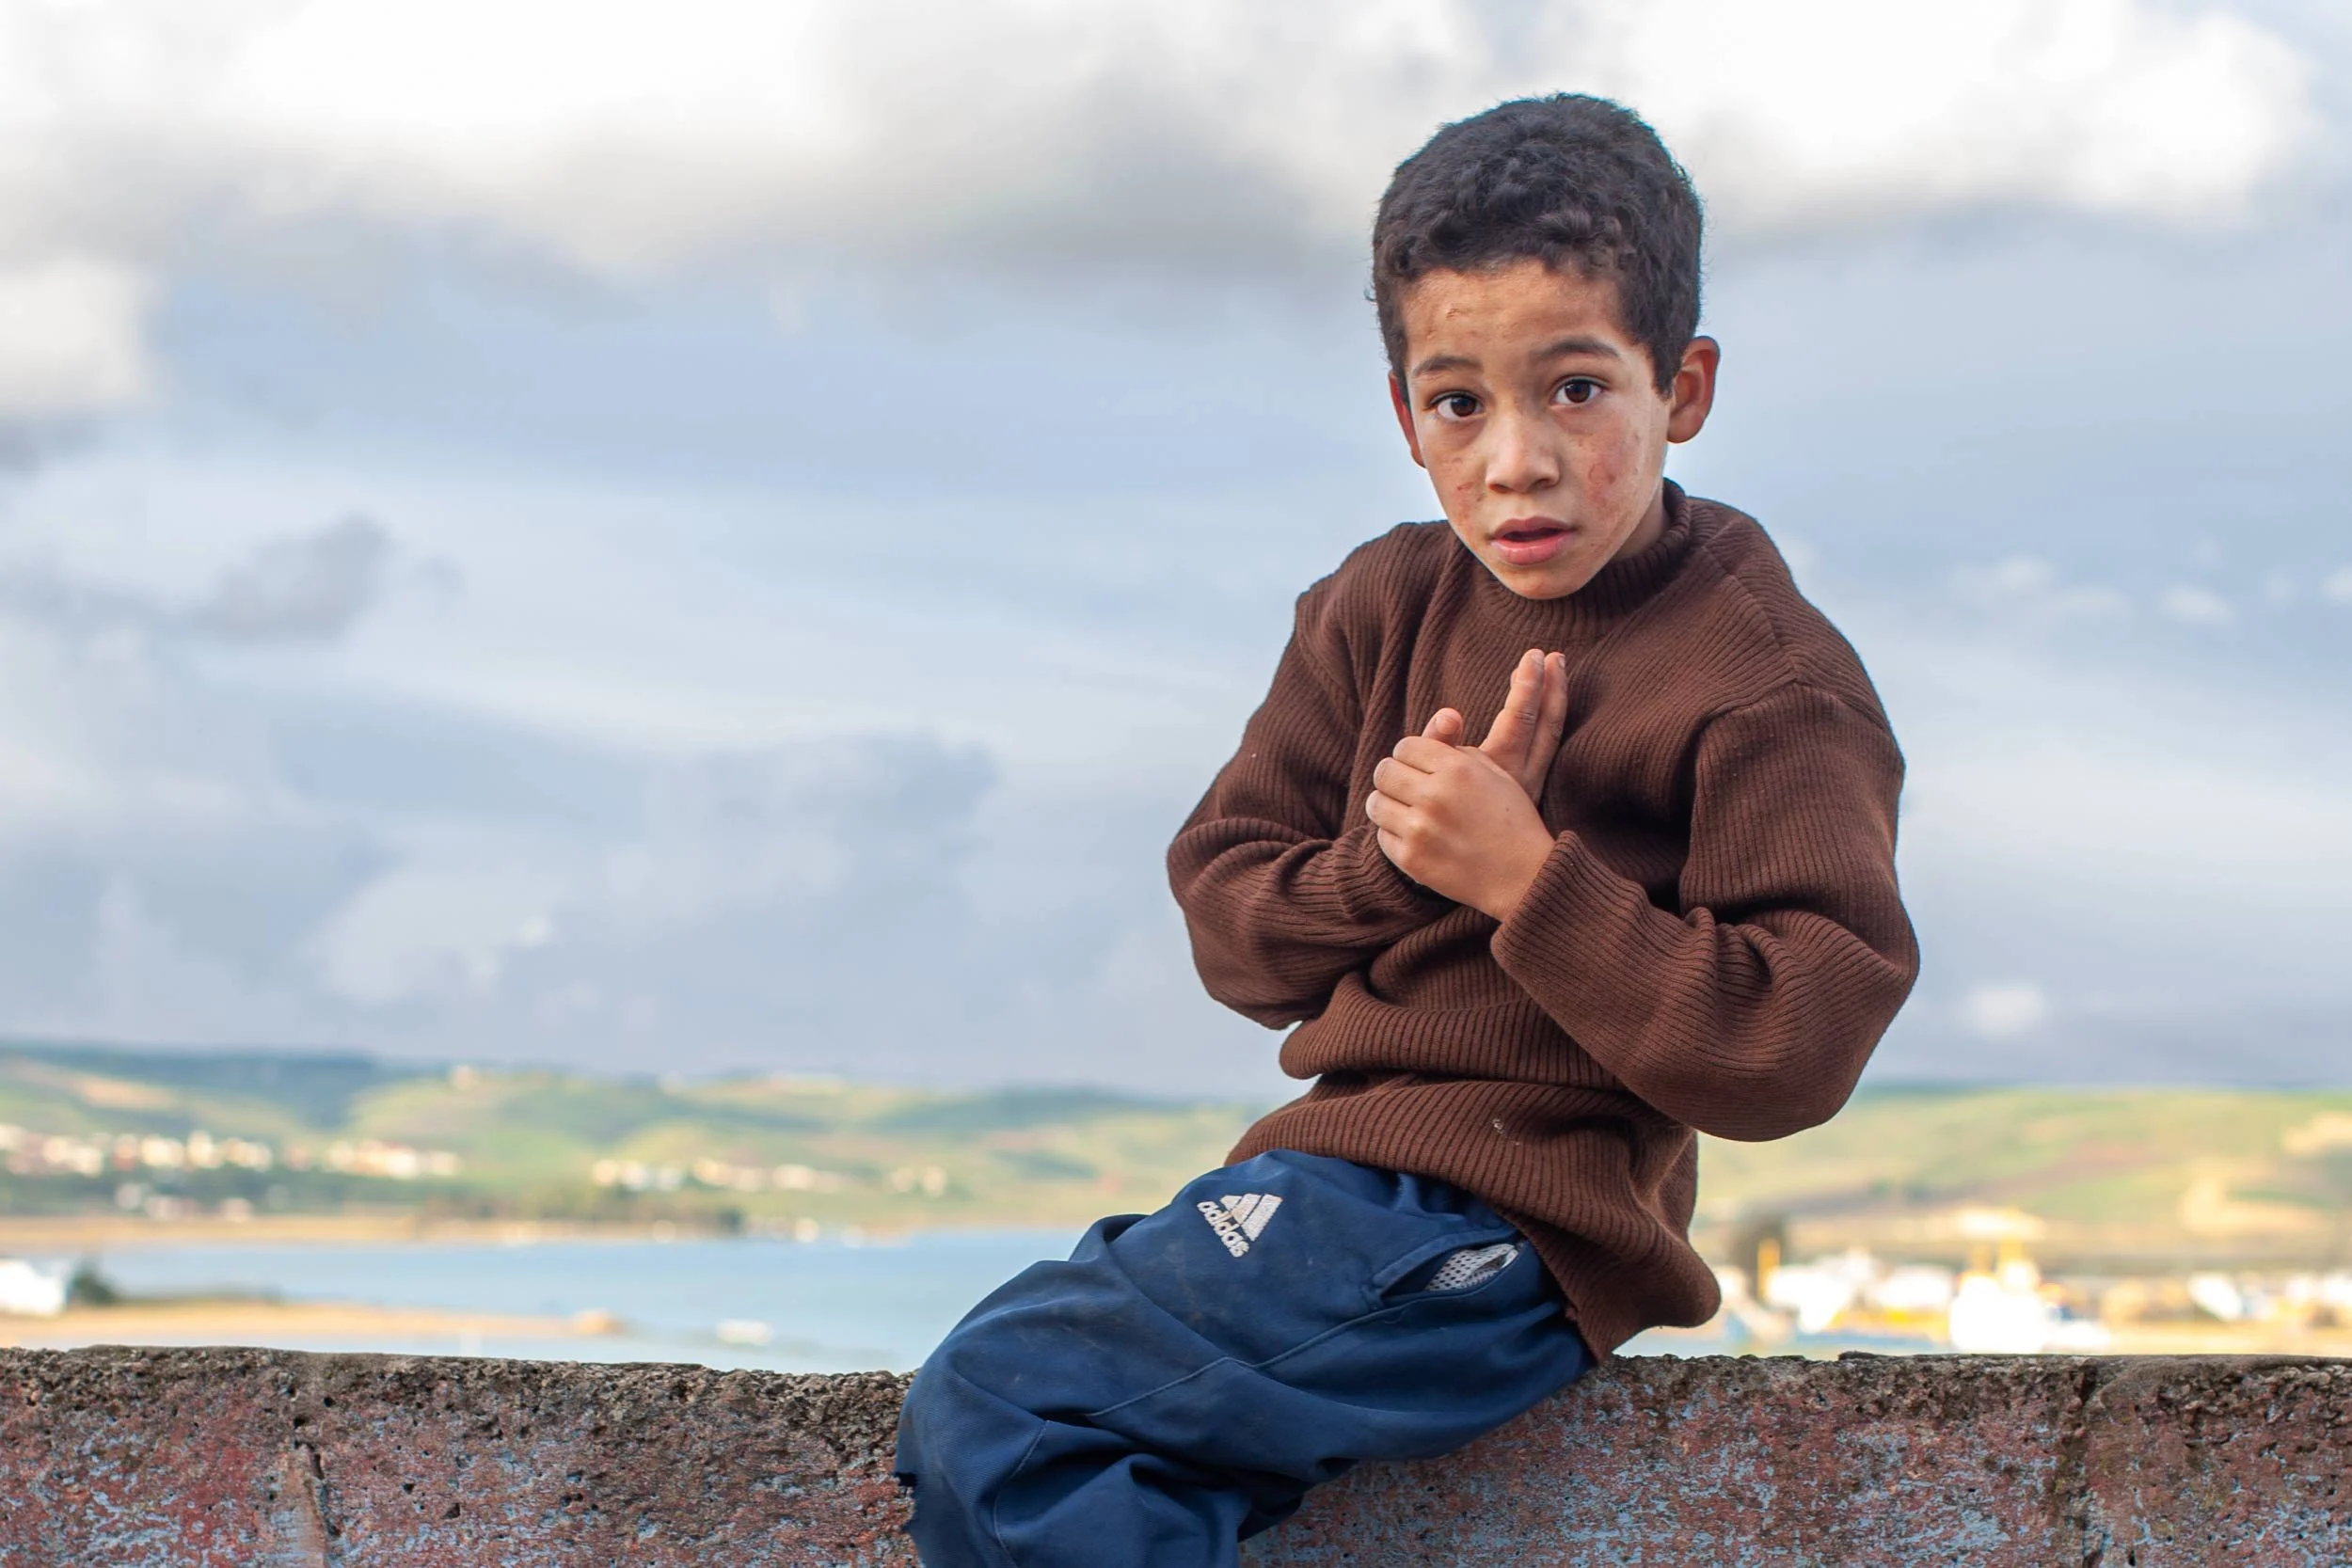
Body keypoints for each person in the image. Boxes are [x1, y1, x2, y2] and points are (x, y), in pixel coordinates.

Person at [894, 93, 1919, 1567]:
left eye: (1575, 390)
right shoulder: (1380, 605)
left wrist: (1524, 878)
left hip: (1507, 1227)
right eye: (1460, 403)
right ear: (1403, 414)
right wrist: (1391, 869)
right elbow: (1229, 919)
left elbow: (1794, 1043)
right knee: (1016, 1399)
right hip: (1329, 1179)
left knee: (1011, 1405)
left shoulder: (1763, 677)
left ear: (1680, 387)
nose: (1517, 460)